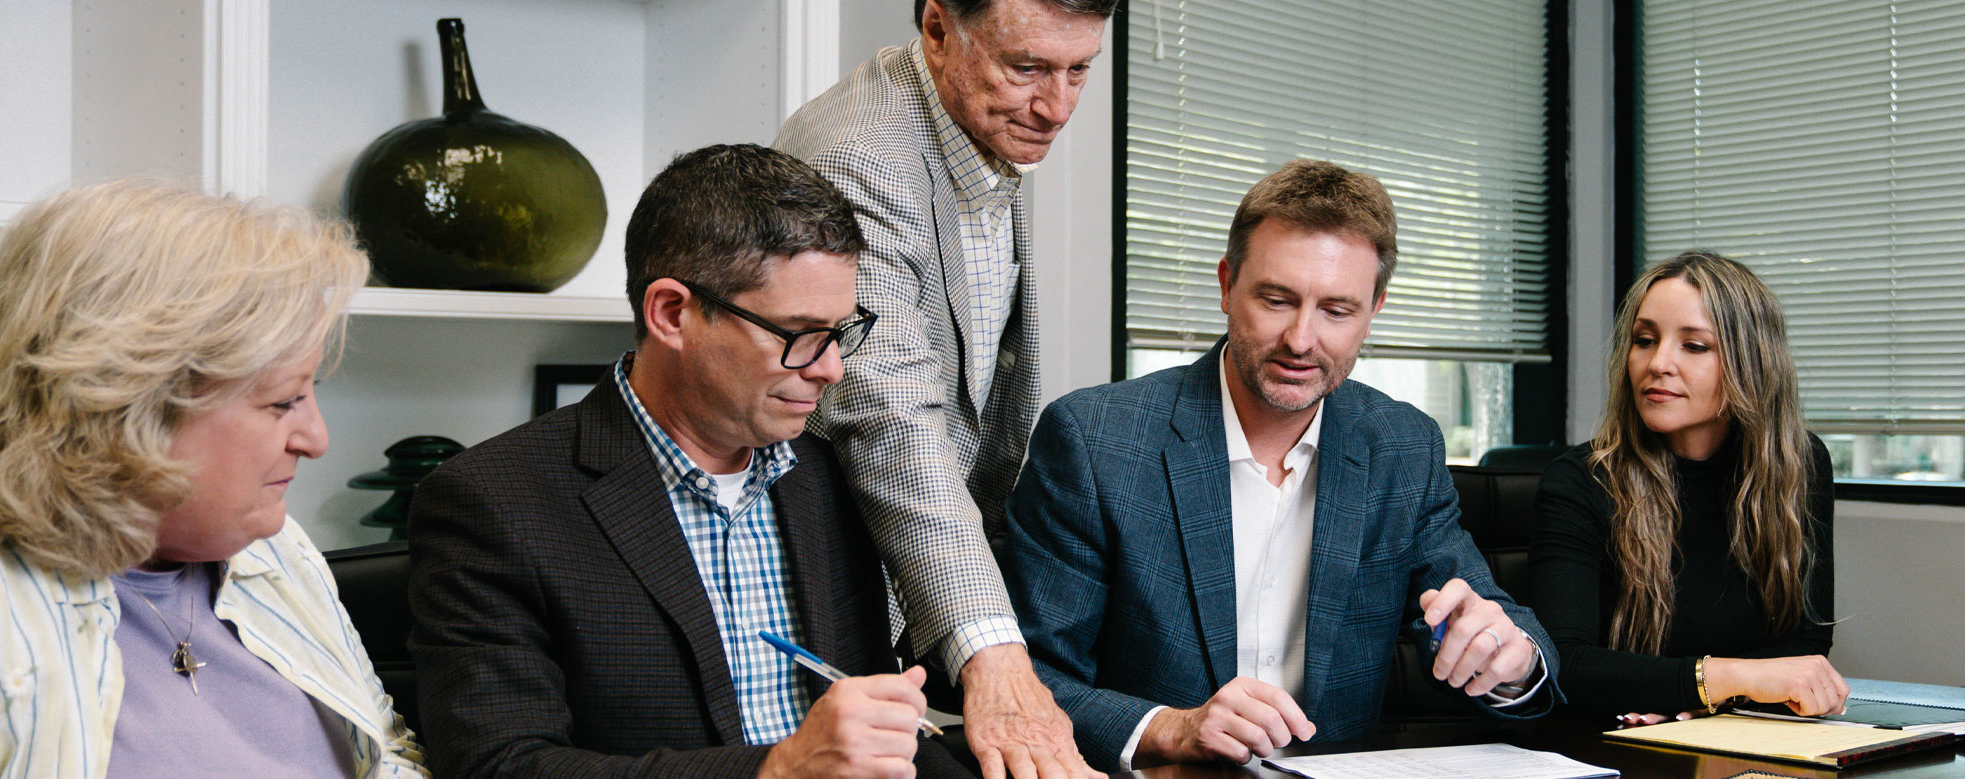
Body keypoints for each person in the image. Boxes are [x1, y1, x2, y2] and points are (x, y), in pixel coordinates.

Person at [407, 144, 970, 778]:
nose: (830, 369)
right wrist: (777, 771)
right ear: (672, 313)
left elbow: (883, 739)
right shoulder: (492, 504)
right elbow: (498, 767)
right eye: (799, 334)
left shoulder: (828, 474)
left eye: (841, 332)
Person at [999, 160, 1557, 771]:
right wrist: (1169, 727)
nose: (1300, 338)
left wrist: (1510, 659)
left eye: (1337, 311)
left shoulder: (1402, 447)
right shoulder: (1095, 440)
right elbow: (1025, 676)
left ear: (1375, 310)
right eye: (1276, 299)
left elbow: (1488, 620)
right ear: (1226, 286)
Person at [0, 179, 423, 776]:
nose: (317, 440)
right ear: (126, 403)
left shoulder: (271, 546)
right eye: (282, 402)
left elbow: (388, 752)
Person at [771, 1, 1114, 774]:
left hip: (928, 582)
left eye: (1079, 69)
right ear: (936, 29)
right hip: (837, 568)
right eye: (1026, 67)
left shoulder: (985, 124)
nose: (1056, 107)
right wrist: (993, 653)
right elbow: (891, 417)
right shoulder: (859, 158)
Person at [1530, 251, 1843, 725]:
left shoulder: (1799, 464)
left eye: (1694, 346)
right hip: (1610, 745)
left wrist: (1700, 700)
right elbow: (1565, 662)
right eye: (1644, 340)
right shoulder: (1580, 480)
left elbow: (1804, 645)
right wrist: (1723, 683)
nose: (1658, 363)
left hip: (1733, 739)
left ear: (1751, 361)